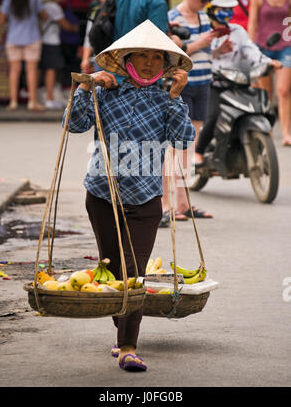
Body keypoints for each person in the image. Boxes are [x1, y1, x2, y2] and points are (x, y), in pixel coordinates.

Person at [62, 20, 194, 372]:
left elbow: (182, 140)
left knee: (134, 274)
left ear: (166, 65)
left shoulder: (167, 101)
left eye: (157, 57)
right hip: (102, 195)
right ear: (128, 59)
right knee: (112, 269)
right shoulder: (106, 92)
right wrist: (87, 88)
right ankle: (122, 326)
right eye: (143, 55)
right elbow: (73, 125)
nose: (150, 62)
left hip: (146, 200)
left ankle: (128, 346)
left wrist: (177, 99)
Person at [195, 0, 281, 167]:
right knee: (212, 116)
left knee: (259, 107)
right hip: (213, 84)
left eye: (230, 9)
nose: (227, 13)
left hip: (237, 82)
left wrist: (268, 61)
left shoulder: (237, 31)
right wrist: (218, 52)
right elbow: (198, 56)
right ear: (211, 9)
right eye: (222, 9)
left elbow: (251, 51)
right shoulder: (203, 31)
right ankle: (198, 151)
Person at [161, 0, 216, 223]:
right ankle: (165, 203)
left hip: (204, 83)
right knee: (172, 147)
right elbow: (173, 55)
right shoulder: (173, 17)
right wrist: (199, 43)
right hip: (182, 85)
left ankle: (183, 203)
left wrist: (219, 48)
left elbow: (208, 53)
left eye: (209, 0)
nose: (205, 3)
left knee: (189, 147)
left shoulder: (205, 18)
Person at [248, 0, 291, 146]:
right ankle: (268, 131)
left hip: (285, 46)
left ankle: (287, 133)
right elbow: (252, 22)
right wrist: (249, 49)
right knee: (267, 92)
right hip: (263, 47)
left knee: (284, 90)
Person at [0, 0, 47, 111]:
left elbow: (2, 21)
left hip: (13, 39)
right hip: (32, 38)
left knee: (14, 71)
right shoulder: (34, 1)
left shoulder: (8, 2)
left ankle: (13, 101)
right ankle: (32, 101)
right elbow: (45, 17)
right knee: (31, 71)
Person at [38, 0, 79, 109]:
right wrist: (74, 28)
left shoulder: (37, 0)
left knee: (36, 69)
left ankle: (34, 96)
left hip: (36, 40)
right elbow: (65, 25)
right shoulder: (53, 6)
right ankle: (50, 99)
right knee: (51, 69)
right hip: (50, 41)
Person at [81, 0, 117, 73]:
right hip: (101, 58)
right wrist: (85, 59)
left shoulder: (118, 11)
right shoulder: (96, 13)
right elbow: (89, 37)